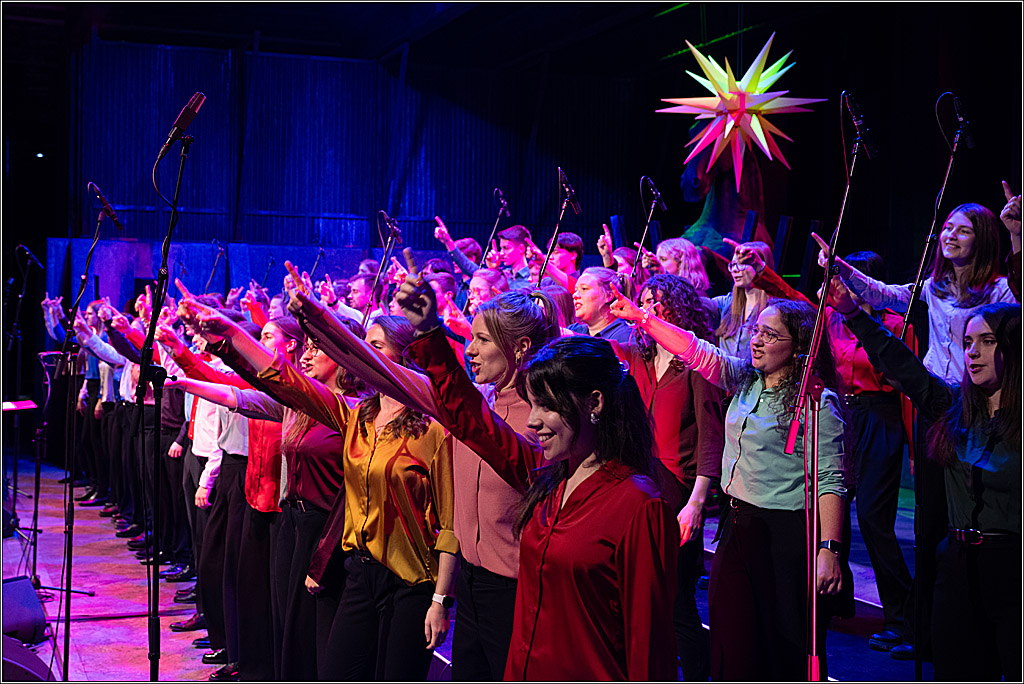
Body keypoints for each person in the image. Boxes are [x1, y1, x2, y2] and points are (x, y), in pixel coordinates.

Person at [397, 271, 680, 680]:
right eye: (533, 405)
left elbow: (648, 644)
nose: (533, 421)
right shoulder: (548, 484)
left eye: (546, 406)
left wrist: (431, 336)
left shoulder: (637, 506)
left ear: (593, 404)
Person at [287, 285, 561, 680]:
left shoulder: (538, 419)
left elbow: (479, 436)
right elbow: (377, 373)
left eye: (481, 340)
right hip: (469, 587)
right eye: (470, 339)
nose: (470, 350)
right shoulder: (473, 402)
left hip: (514, 592)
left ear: (519, 347)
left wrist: (430, 330)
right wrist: (314, 319)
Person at [813, 198, 1018, 659]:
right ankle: (925, 631)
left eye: (961, 230)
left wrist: (1017, 236)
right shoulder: (936, 288)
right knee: (929, 527)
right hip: (937, 404)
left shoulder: (1002, 292)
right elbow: (885, 294)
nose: (948, 236)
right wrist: (842, 269)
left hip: (987, 407)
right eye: (946, 228)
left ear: (983, 238)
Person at [610, 291, 846, 681]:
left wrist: (830, 549)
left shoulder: (817, 402)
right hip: (739, 527)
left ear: (800, 345)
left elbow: (830, 480)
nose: (756, 340)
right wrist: (641, 317)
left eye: (770, 335)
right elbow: (696, 351)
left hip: (787, 536)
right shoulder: (744, 379)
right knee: (730, 635)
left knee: (780, 643)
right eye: (756, 331)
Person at [288, 315, 458, 681]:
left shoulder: (433, 428)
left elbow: (449, 524)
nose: (366, 353)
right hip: (361, 573)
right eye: (364, 344)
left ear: (404, 355)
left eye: (376, 346)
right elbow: (285, 385)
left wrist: (441, 600)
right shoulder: (358, 416)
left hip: (412, 583)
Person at [618, 274, 725, 680]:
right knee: (641, 599)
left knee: (677, 602)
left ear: (680, 309)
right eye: (645, 301)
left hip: (678, 492)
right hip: (639, 490)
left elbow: (711, 437)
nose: (651, 309)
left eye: (660, 302)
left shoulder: (696, 363)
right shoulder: (638, 359)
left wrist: (697, 501)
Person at [567, 267, 635, 344]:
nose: (575, 295)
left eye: (584, 288)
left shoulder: (627, 337)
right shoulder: (572, 332)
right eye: (576, 290)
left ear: (608, 296)